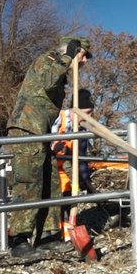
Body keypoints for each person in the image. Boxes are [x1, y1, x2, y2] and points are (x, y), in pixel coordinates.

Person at [5, 36, 91, 257]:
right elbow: (47, 81)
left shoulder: (60, 68)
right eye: (83, 55)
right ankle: (19, 239)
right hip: (27, 128)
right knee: (29, 181)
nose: (85, 62)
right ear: (72, 51)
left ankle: (47, 236)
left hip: (41, 131)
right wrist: (68, 57)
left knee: (51, 178)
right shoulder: (49, 59)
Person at [51, 89, 97, 242]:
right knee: (58, 195)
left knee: (71, 193)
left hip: (67, 170)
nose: (89, 117)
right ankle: (52, 233)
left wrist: (89, 186)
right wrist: (54, 146)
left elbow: (81, 162)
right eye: (87, 112)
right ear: (75, 110)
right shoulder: (58, 119)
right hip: (50, 169)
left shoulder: (81, 130)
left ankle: (68, 232)